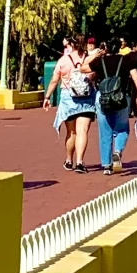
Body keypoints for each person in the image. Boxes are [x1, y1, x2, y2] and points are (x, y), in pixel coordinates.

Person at [44, 34, 100, 171]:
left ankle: (69, 160)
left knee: (71, 132)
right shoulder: (90, 59)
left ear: (72, 44)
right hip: (86, 97)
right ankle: (80, 162)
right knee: (83, 131)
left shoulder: (63, 60)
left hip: (69, 98)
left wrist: (47, 97)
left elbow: (54, 80)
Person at [94, 39, 137, 175]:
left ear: (105, 48)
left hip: (103, 98)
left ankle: (106, 166)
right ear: (120, 47)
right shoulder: (126, 60)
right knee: (122, 128)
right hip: (121, 97)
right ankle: (117, 151)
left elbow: (83, 68)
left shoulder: (100, 62)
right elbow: (136, 78)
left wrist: (94, 55)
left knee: (104, 131)